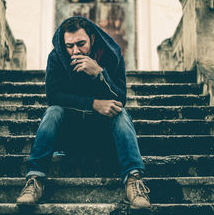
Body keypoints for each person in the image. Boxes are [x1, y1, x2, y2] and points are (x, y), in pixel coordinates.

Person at [16, 16, 150, 210]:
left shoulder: (112, 56)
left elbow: (120, 98)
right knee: (53, 112)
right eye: (70, 45)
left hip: (104, 137)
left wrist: (99, 73)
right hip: (70, 136)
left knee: (120, 113)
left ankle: (134, 181)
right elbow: (53, 97)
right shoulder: (56, 57)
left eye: (81, 44)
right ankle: (35, 180)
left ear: (92, 39)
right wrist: (93, 104)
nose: (75, 51)